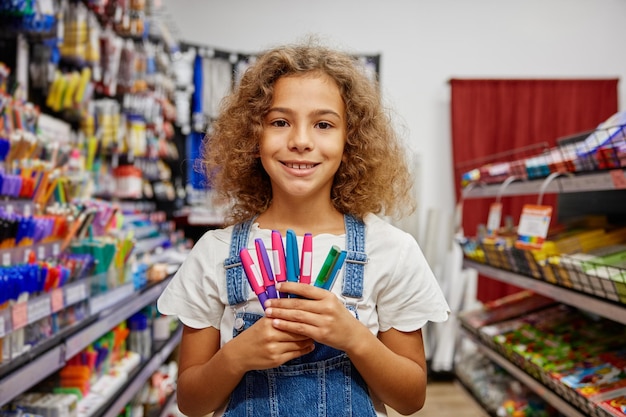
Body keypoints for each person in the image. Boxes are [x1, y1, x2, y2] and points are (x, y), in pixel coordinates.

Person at [157, 40, 450, 417]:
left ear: (351, 141)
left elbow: (411, 399)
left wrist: (355, 338)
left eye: (323, 124)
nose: (300, 141)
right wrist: (235, 357)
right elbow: (192, 402)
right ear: (253, 139)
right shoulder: (214, 252)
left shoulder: (392, 250)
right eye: (280, 122)